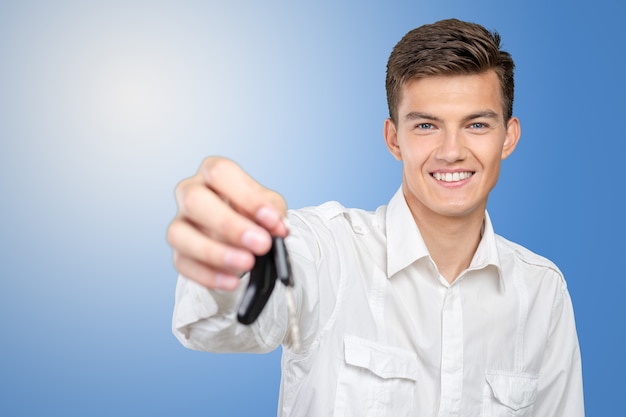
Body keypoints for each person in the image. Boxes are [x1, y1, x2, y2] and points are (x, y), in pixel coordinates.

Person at [167, 18, 584, 416]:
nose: (452, 150)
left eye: (476, 124)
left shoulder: (542, 292)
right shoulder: (330, 254)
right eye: (426, 126)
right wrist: (228, 257)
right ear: (393, 138)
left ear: (508, 137)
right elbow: (221, 322)